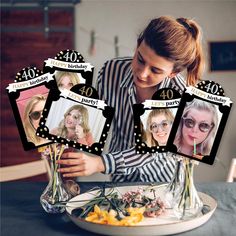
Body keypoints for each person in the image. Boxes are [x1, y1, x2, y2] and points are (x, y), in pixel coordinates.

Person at [57, 16, 205, 182]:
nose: (142, 73)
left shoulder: (180, 94)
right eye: (140, 59)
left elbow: (152, 149)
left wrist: (100, 163)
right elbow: (97, 117)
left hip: (164, 182)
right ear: (137, 45)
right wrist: (59, 125)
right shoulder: (111, 71)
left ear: (173, 73)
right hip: (120, 179)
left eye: (155, 70)